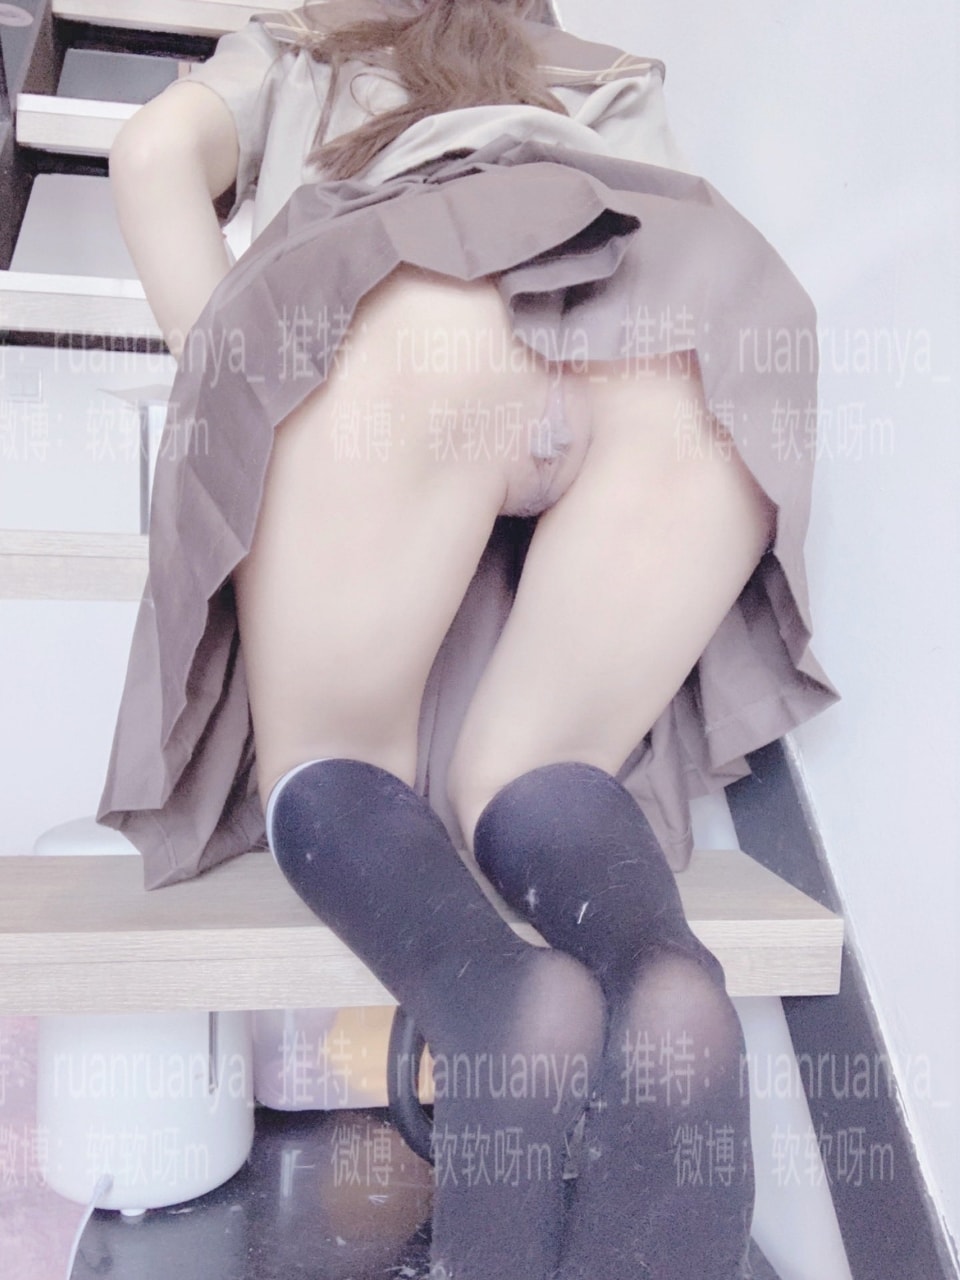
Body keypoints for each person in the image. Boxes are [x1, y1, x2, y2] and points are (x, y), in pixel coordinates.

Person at [97, 1, 839, 1276]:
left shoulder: (307, 39)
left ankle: (495, 997)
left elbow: (150, 153)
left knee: (337, 758)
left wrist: (243, 396)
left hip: (412, 285)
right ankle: (662, 974)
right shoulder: (602, 69)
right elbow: (636, 215)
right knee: (543, 765)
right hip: (699, 317)